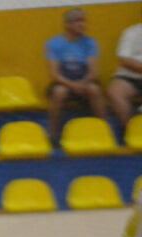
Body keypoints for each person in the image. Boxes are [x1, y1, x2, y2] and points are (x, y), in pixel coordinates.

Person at [45, 8, 106, 141]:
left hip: (84, 80)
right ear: (67, 24)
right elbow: (54, 74)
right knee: (59, 92)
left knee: (94, 89)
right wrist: (72, 85)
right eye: (78, 21)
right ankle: (53, 133)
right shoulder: (53, 43)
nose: (82, 24)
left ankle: (104, 130)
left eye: (84, 21)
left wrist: (82, 83)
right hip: (64, 81)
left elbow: (93, 72)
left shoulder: (90, 43)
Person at [107, 15, 142, 127]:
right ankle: (131, 130)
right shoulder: (132, 32)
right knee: (115, 92)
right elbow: (124, 60)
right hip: (129, 77)